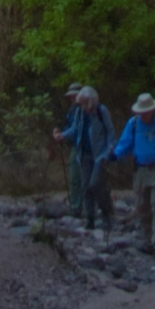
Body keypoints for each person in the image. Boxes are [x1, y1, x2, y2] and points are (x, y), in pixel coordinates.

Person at [110, 90, 155, 255]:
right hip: (140, 171)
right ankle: (148, 239)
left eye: (146, 112)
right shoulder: (133, 124)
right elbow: (125, 144)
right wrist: (114, 155)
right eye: (141, 112)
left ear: (152, 110)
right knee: (142, 207)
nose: (144, 115)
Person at [55, 85, 114, 231]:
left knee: (95, 184)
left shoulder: (101, 111)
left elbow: (110, 132)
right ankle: (91, 218)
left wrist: (111, 149)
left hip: (100, 154)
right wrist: (62, 135)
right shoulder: (80, 112)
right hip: (84, 154)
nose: (84, 106)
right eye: (82, 103)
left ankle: (106, 213)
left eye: (86, 103)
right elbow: (75, 128)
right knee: (85, 186)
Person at [52, 83, 85, 219]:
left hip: (84, 147)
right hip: (75, 147)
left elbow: (76, 129)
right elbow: (70, 126)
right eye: (71, 96)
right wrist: (60, 131)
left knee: (81, 177)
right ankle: (76, 207)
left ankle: (79, 207)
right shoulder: (72, 109)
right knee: (75, 177)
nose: (72, 98)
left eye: (74, 96)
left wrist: (62, 136)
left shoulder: (85, 110)